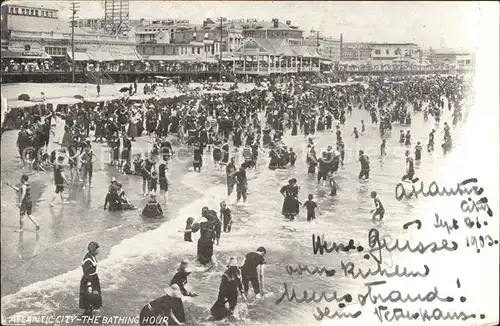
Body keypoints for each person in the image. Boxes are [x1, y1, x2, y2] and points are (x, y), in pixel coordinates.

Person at [79, 241, 102, 317]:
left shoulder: (91, 256)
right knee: (90, 298)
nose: (98, 251)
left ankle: (89, 313)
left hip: (93, 279)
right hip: (89, 280)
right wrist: (89, 286)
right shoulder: (88, 260)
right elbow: (86, 274)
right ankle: (87, 315)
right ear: (93, 250)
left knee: (94, 297)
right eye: (97, 250)